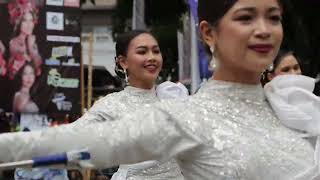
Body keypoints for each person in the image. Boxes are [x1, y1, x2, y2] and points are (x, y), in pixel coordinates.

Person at [0, 0, 320, 179]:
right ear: (208, 34)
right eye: (246, 17)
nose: (264, 30)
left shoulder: (294, 105)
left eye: (273, 17)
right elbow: (70, 144)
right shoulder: (182, 117)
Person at [71, 30, 185, 180]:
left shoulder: (172, 96)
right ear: (123, 62)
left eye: (156, 51)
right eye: (142, 52)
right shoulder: (112, 104)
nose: (151, 57)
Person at [7, 0, 42, 79]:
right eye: (25, 21)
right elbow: (12, 74)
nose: (29, 24)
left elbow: (38, 69)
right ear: (19, 23)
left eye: (31, 20)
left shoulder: (33, 40)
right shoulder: (14, 43)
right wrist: (30, 47)